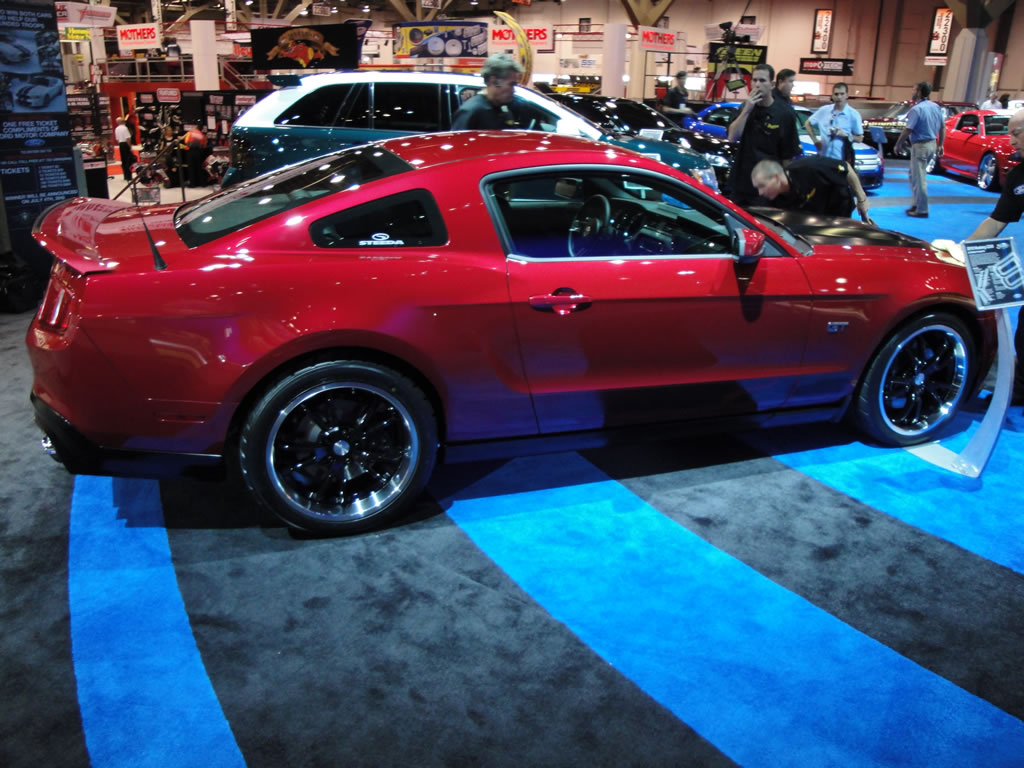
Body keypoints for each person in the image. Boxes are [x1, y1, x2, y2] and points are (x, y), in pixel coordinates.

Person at [965, 108, 1024, 407]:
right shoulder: (1018, 175)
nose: (1010, 140)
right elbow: (997, 221)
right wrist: (962, 249)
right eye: (1009, 133)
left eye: (1016, 133)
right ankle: (1020, 388)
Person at [726, 62, 801, 206]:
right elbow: (732, 137)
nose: (757, 85)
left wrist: (784, 189)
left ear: (771, 85)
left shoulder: (785, 114)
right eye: (754, 80)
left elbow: (787, 157)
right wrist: (747, 110)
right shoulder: (744, 108)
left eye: (762, 80)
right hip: (742, 184)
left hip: (767, 188)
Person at [751, 156, 874, 224]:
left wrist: (861, 199)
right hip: (814, 219)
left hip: (838, 210)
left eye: (762, 185)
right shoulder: (772, 201)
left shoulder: (810, 167)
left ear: (776, 177)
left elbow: (846, 169)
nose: (760, 192)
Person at [893, 81, 944, 218]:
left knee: (919, 178)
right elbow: (942, 127)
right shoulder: (936, 107)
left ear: (920, 92)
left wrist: (898, 144)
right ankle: (917, 203)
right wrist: (940, 145)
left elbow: (908, 130)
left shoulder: (917, 109)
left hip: (920, 146)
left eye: (914, 89)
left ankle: (922, 209)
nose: (912, 92)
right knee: (914, 175)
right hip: (932, 144)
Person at [452, 53, 523, 130]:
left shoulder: (504, 111)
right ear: (494, 81)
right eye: (511, 84)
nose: (513, 90)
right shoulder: (471, 112)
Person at [808, 82, 864, 162]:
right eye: (836, 94)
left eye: (842, 94)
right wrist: (815, 141)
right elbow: (808, 123)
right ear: (832, 96)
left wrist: (844, 135)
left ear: (847, 95)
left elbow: (859, 139)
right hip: (823, 159)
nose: (839, 97)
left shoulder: (853, 115)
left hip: (841, 160)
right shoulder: (824, 111)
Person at [114, 116, 134, 182]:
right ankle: (129, 176)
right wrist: (130, 147)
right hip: (125, 144)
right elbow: (127, 138)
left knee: (124, 160)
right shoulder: (125, 128)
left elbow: (117, 139)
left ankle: (125, 175)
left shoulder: (116, 129)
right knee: (128, 160)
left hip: (121, 144)